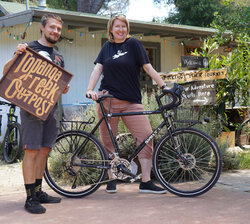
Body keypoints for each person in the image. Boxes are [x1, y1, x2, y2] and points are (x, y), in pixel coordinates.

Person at [86, 14, 168, 194]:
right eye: (117, 26)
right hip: (107, 100)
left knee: (146, 137)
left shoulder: (134, 45)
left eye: (124, 26)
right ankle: (111, 178)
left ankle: (146, 182)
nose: (121, 30)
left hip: (131, 101)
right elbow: (98, 68)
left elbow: (147, 67)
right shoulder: (107, 47)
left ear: (127, 28)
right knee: (109, 141)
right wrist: (90, 89)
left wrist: (164, 86)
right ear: (111, 29)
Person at [3, 14, 69, 214]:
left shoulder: (59, 57)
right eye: (52, 27)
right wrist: (16, 54)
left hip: (51, 109)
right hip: (31, 108)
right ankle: (30, 197)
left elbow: (57, 85)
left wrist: (64, 88)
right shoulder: (27, 48)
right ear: (42, 28)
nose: (55, 31)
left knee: (44, 150)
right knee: (31, 151)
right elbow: (6, 72)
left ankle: (39, 191)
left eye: (58, 29)